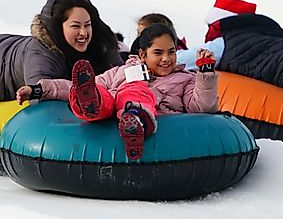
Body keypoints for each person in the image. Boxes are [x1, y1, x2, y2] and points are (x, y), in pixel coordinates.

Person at [16, 24, 218, 160]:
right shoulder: (123, 71)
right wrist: (39, 89)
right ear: (142, 54)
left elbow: (201, 107)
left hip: (156, 120)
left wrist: (205, 73)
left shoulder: (184, 79)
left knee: (134, 89)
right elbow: (70, 86)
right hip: (112, 114)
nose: (166, 58)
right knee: (105, 92)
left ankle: (136, 119)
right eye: (158, 53)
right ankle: (90, 102)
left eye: (171, 51)